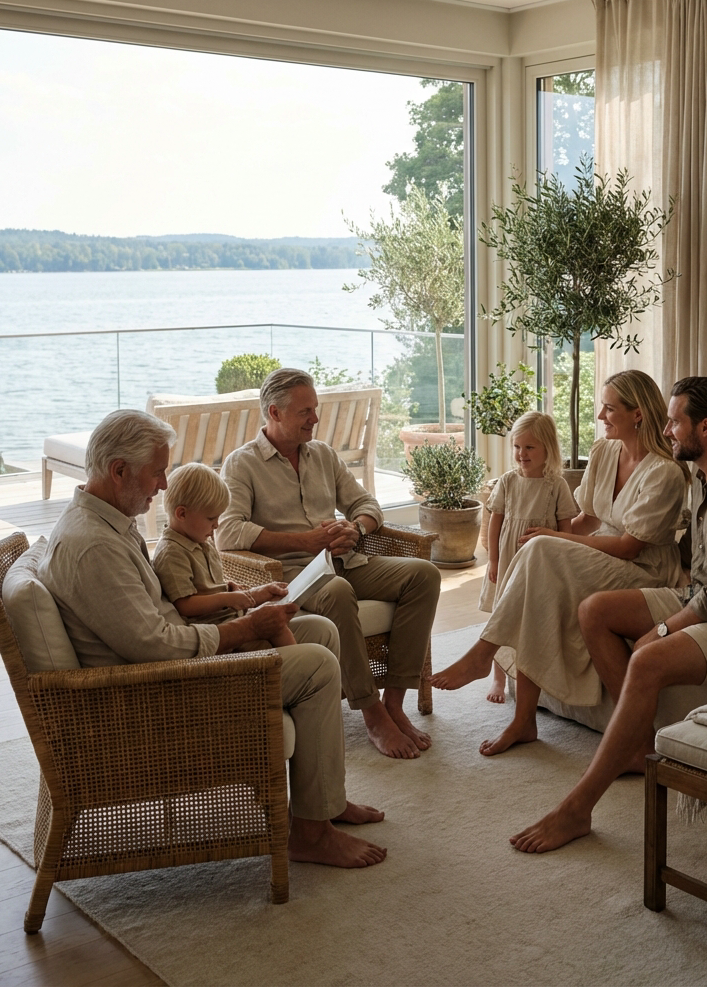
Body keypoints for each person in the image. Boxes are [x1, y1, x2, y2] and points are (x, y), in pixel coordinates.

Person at [38, 409, 387, 870]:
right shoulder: (94, 546)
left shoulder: (103, 525)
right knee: (319, 667)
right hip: (158, 690)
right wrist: (242, 628)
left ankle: (325, 802)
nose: (163, 485)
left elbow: (159, 619)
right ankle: (310, 833)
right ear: (118, 470)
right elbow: (154, 647)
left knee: (319, 629)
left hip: (171, 659)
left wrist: (238, 609)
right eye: (157, 472)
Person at [509, 376, 707, 854]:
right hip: (700, 592)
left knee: (646, 659)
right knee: (595, 611)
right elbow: (701, 577)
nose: (666, 431)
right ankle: (638, 744)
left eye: (673, 421)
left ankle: (578, 807)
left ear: (704, 427)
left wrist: (660, 631)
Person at [432, 370, 690, 756]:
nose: (600, 415)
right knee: (542, 574)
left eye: (609, 408)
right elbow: (586, 519)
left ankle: (484, 655)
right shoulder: (605, 453)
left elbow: (629, 547)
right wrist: (559, 541)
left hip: (645, 570)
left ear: (637, 414)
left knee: (542, 551)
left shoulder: (665, 472)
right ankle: (524, 721)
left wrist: (554, 539)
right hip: (604, 554)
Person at [216, 367, 441, 760]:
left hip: (346, 562)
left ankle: (394, 703)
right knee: (337, 591)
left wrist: (355, 528)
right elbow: (228, 532)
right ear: (274, 412)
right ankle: (371, 712)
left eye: (314, 409)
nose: (315, 419)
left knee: (423, 574)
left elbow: (366, 504)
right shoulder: (242, 464)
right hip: (293, 576)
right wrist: (304, 541)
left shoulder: (322, 454)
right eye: (305, 412)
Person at [479, 411, 578, 703]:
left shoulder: (556, 485)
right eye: (517, 447)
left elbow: (566, 529)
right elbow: (495, 521)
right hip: (509, 557)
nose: (521, 454)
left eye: (530, 447)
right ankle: (498, 678)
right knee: (501, 616)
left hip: (540, 563)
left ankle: (526, 673)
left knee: (527, 618)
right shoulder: (508, 481)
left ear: (548, 448)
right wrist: (493, 560)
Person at [152, 461, 295, 648]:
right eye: (211, 518)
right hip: (215, 631)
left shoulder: (201, 540)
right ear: (182, 514)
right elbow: (185, 605)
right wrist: (227, 599)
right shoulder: (171, 553)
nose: (217, 525)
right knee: (277, 627)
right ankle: (298, 673)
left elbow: (206, 585)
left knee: (281, 615)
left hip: (230, 616)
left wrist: (229, 587)